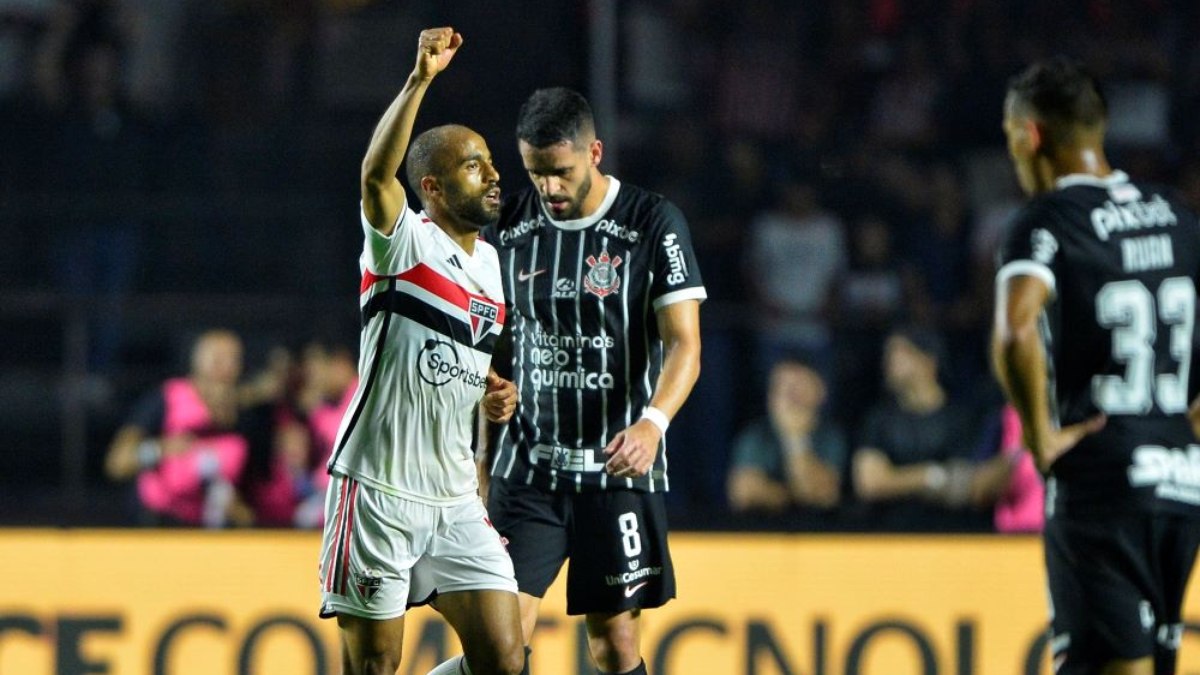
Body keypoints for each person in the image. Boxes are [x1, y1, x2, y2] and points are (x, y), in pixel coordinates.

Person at [316, 27, 523, 675]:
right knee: (374, 665)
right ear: (431, 187)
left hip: (454, 493)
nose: (492, 175)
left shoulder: (492, 266)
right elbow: (375, 174)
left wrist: (489, 386)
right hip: (378, 486)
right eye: (472, 165)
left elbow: (453, 353)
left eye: (490, 162)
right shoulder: (400, 243)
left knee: (505, 658)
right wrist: (419, 80)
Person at [480, 87, 704, 675]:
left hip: (617, 468)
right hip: (528, 468)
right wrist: (490, 384)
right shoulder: (510, 223)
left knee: (615, 647)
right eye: (535, 173)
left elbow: (685, 343)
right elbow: (486, 329)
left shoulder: (653, 223)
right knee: (501, 646)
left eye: (560, 172)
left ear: (595, 152)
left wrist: (653, 425)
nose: (548, 188)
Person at [992, 57, 1200, 675]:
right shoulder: (1178, 216)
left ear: (1031, 135)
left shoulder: (1048, 221)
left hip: (1103, 478)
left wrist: (1040, 438)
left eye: (1009, 138)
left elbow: (1017, 327)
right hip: (1181, 478)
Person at [850, 326, 1008, 531]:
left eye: (899, 353)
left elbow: (969, 485)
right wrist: (931, 476)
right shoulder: (879, 419)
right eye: (888, 355)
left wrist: (897, 478)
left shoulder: (962, 418)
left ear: (928, 361)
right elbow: (870, 483)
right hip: (891, 537)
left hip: (955, 536)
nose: (889, 362)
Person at [105, 329, 254, 527]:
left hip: (208, 534)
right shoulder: (166, 399)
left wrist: (234, 509)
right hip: (154, 526)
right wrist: (159, 450)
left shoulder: (245, 416)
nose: (225, 368)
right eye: (217, 358)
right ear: (196, 361)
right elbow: (117, 463)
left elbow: (250, 508)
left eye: (232, 359)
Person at [727, 356, 845, 515]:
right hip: (761, 529)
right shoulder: (755, 434)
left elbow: (824, 495)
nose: (789, 397)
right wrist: (795, 494)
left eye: (798, 387)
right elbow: (743, 493)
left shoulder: (831, 436)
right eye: (781, 387)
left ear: (820, 391)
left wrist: (795, 440)